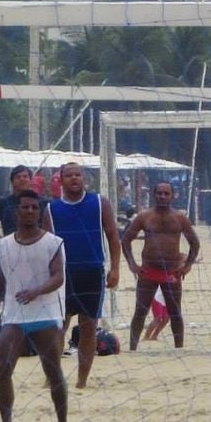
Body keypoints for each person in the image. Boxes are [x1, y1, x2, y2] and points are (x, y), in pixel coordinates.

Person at [0, 189, 68, 422]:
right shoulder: (4, 245)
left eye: (34, 208)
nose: (30, 211)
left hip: (45, 315)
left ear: (39, 213)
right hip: (14, 316)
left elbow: (59, 277)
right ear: (16, 212)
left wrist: (37, 291)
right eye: (25, 207)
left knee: (53, 371)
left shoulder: (53, 243)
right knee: (3, 368)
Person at [46, 160, 122, 387]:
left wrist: (115, 268)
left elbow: (113, 236)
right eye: (69, 175)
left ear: (84, 178)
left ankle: (81, 381)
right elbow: (46, 245)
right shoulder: (51, 209)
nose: (74, 178)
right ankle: (53, 377)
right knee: (59, 327)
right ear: (61, 180)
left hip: (92, 271)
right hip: (63, 274)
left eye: (78, 174)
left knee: (88, 327)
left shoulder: (99, 203)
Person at [122, 180, 199, 351]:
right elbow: (126, 240)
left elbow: (195, 243)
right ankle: (133, 348)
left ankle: (179, 348)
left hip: (171, 272)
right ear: (153, 195)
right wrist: (132, 264)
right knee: (140, 311)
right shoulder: (144, 217)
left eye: (166, 193)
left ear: (172, 196)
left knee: (175, 312)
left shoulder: (180, 218)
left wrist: (188, 265)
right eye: (159, 193)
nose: (162, 197)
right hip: (148, 272)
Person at [0, 165, 40, 241]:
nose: (22, 179)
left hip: (37, 244)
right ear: (12, 182)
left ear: (30, 180)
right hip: (11, 245)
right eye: (18, 177)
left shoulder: (40, 202)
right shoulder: (4, 203)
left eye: (25, 176)